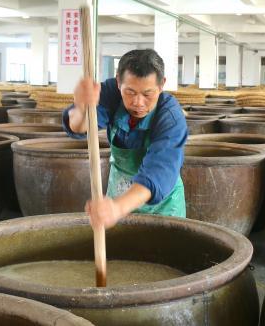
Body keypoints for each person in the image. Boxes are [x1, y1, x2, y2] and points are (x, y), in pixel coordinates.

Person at [62, 49, 187, 230]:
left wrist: (117, 208)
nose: (138, 102)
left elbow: (159, 171)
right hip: (119, 194)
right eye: (130, 92)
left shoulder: (171, 117)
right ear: (119, 81)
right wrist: (81, 109)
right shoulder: (110, 93)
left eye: (147, 94)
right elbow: (80, 127)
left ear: (162, 85)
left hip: (163, 206)